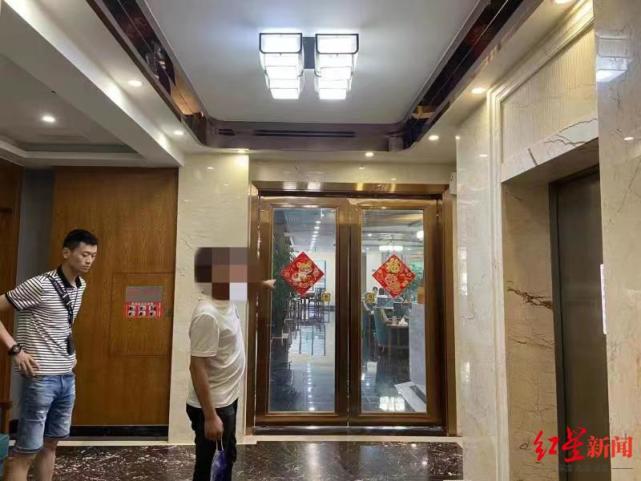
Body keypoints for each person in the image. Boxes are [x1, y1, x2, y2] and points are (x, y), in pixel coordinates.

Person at [0, 229, 98, 481]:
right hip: (40, 377)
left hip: (67, 375)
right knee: (25, 451)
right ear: (66, 253)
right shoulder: (40, 284)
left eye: (93, 255)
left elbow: (61, 326)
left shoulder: (81, 286)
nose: (89, 260)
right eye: (84, 254)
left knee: (51, 444)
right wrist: (15, 349)